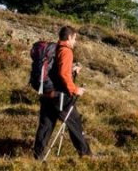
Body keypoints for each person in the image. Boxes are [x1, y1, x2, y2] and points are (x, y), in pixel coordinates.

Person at [33, 26, 93, 160]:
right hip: (60, 97)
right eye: (75, 38)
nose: (75, 42)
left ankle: (38, 157)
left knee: (46, 125)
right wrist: (75, 89)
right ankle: (86, 156)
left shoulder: (54, 49)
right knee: (75, 123)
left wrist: (73, 69)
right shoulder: (66, 51)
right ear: (70, 37)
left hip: (47, 93)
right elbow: (63, 74)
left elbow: (56, 70)